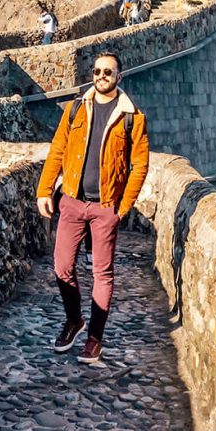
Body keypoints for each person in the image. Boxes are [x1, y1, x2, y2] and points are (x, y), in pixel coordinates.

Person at [36, 52, 149, 363]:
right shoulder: (76, 108)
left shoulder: (132, 117)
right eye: (98, 71)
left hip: (105, 207)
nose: (102, 75)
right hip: (71, 201)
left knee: (102, 273)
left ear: (119, 76)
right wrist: (45, 190)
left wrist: (122, 207)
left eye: (108, 71)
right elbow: (58, 148)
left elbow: (139, 164)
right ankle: (74, 320)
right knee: (62, 266)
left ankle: (94, 339)